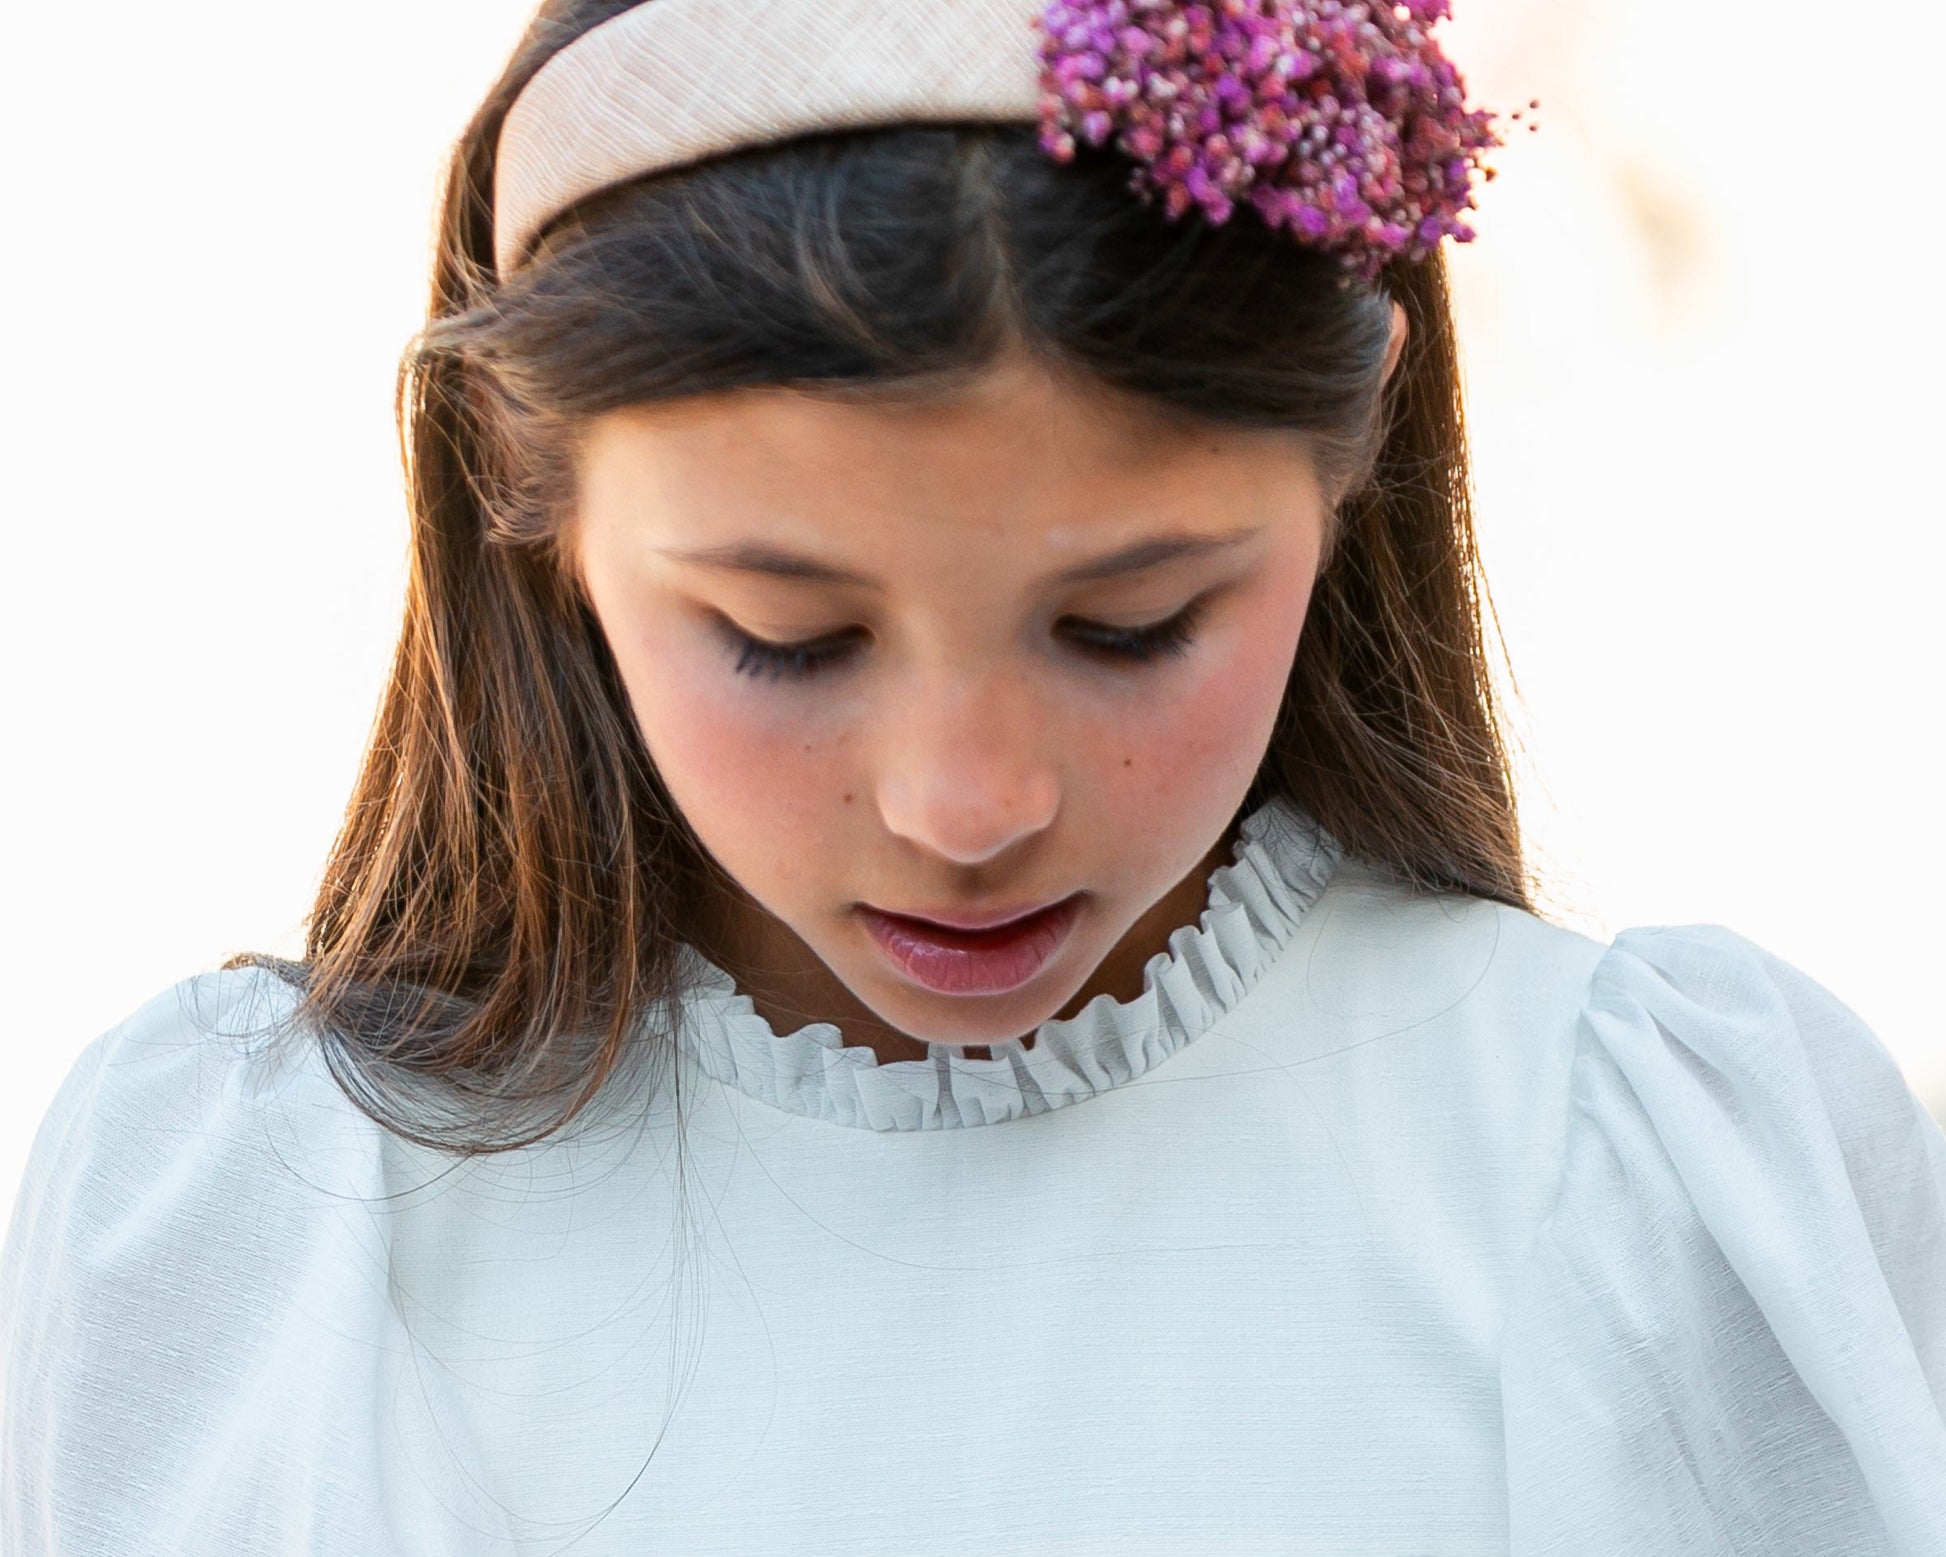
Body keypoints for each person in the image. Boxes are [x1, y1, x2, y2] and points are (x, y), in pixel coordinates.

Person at [4, 0, 1943, 1550]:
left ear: (1352, 464)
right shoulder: (273, 1217)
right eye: (785, 636)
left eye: (1132, 624)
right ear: (538, 507)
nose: (966, 804)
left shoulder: (1639, 1167)